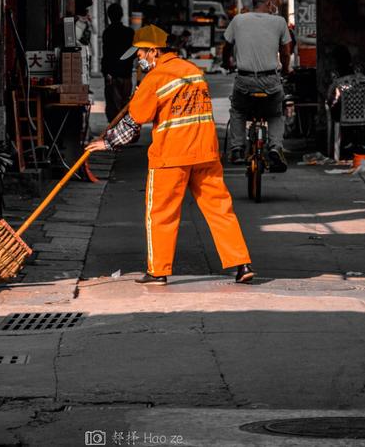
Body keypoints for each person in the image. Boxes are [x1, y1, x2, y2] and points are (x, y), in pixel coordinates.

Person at [86, 24, 254, 285]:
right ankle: (242, 264)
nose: (138, 60)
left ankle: (158, 271)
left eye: (140, 54)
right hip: (205, 152)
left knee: (161, 213)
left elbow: (134, 123)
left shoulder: (155, 79)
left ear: (153, 51)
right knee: (220, 209)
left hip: (171, 155)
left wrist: (106, 144)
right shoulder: (193, 71)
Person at [222, 0, 292, 171]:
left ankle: (237, 148)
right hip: (270, 81)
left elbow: (226, 47)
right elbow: (285, 53)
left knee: (238, 110)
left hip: (244, 81)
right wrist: (285, 71)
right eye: (274, 2)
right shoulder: (279, 22)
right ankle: (275, 147)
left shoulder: (238, 20)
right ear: (269, 3)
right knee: (276, 113)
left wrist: (227, 63)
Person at [101, 3, 135, 122]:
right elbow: (134, 52)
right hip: (126, 73)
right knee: (125, 104)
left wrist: (105, 72)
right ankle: (123, 129)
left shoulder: (107, 32)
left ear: (109, 16)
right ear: (122, 15)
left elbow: (106, 54)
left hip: (112, 75)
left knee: (113, 106)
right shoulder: (129, 32)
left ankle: (114, 130)